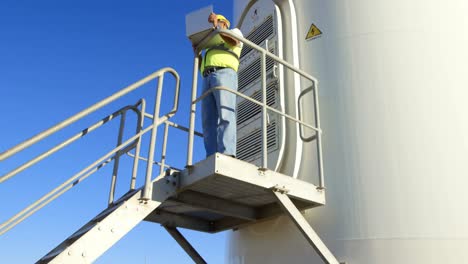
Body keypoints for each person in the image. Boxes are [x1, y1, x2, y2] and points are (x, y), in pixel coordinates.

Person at [198, 12, 243, 157]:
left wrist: (216, 25)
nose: (213, 26)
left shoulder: (235, 31)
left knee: (226, 113)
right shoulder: (210, 45)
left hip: (224, 74)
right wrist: (198, 53)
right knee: (207, 121)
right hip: (207, 77)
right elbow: (202, 66)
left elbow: (234, 42)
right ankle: (211, 156)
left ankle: (227, 153)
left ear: (223, 23)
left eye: (217, 22)